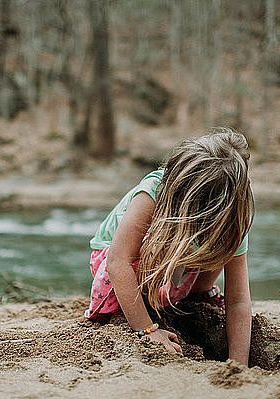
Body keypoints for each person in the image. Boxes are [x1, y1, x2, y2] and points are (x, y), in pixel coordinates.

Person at [85, 127, 254, 365]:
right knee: (135, 264)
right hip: (121, 260)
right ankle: (126, 310)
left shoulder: (232, 216)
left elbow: (238, 300)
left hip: (183, 259)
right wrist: (147, 329)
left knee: (220, 245)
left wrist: (239, 364)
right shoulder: (155, 191)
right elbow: (117, 262)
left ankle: (195, 294)